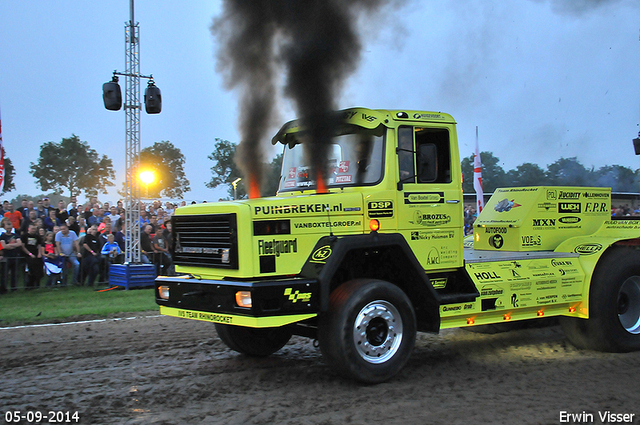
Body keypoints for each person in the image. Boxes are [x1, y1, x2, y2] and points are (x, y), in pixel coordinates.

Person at [0, 218, 23, 293]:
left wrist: (10, 245)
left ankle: (14, 288)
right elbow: (4, 246)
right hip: (6, 256)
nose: (9, 229)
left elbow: (20, 243)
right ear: (4, 228)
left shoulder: (15, 235)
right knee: (5, 273)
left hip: (15, 256)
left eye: (10, 228)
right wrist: (14, 245)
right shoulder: (2, 236)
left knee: (15, 273)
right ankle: (4, 288)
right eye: (7, 227)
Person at [20, 223, 44, 290]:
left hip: (36, 255)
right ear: (28, 228)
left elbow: (39, 245)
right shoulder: (24, 236)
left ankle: (37, 285)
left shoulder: (37, 236)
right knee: (30, 271)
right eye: (32, 228)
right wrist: (29, 254)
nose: (34, 230)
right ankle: (29, 286)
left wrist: (39, 254)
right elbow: (22, 246)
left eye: (35, 229)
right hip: (27, 256)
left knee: (38, 271)